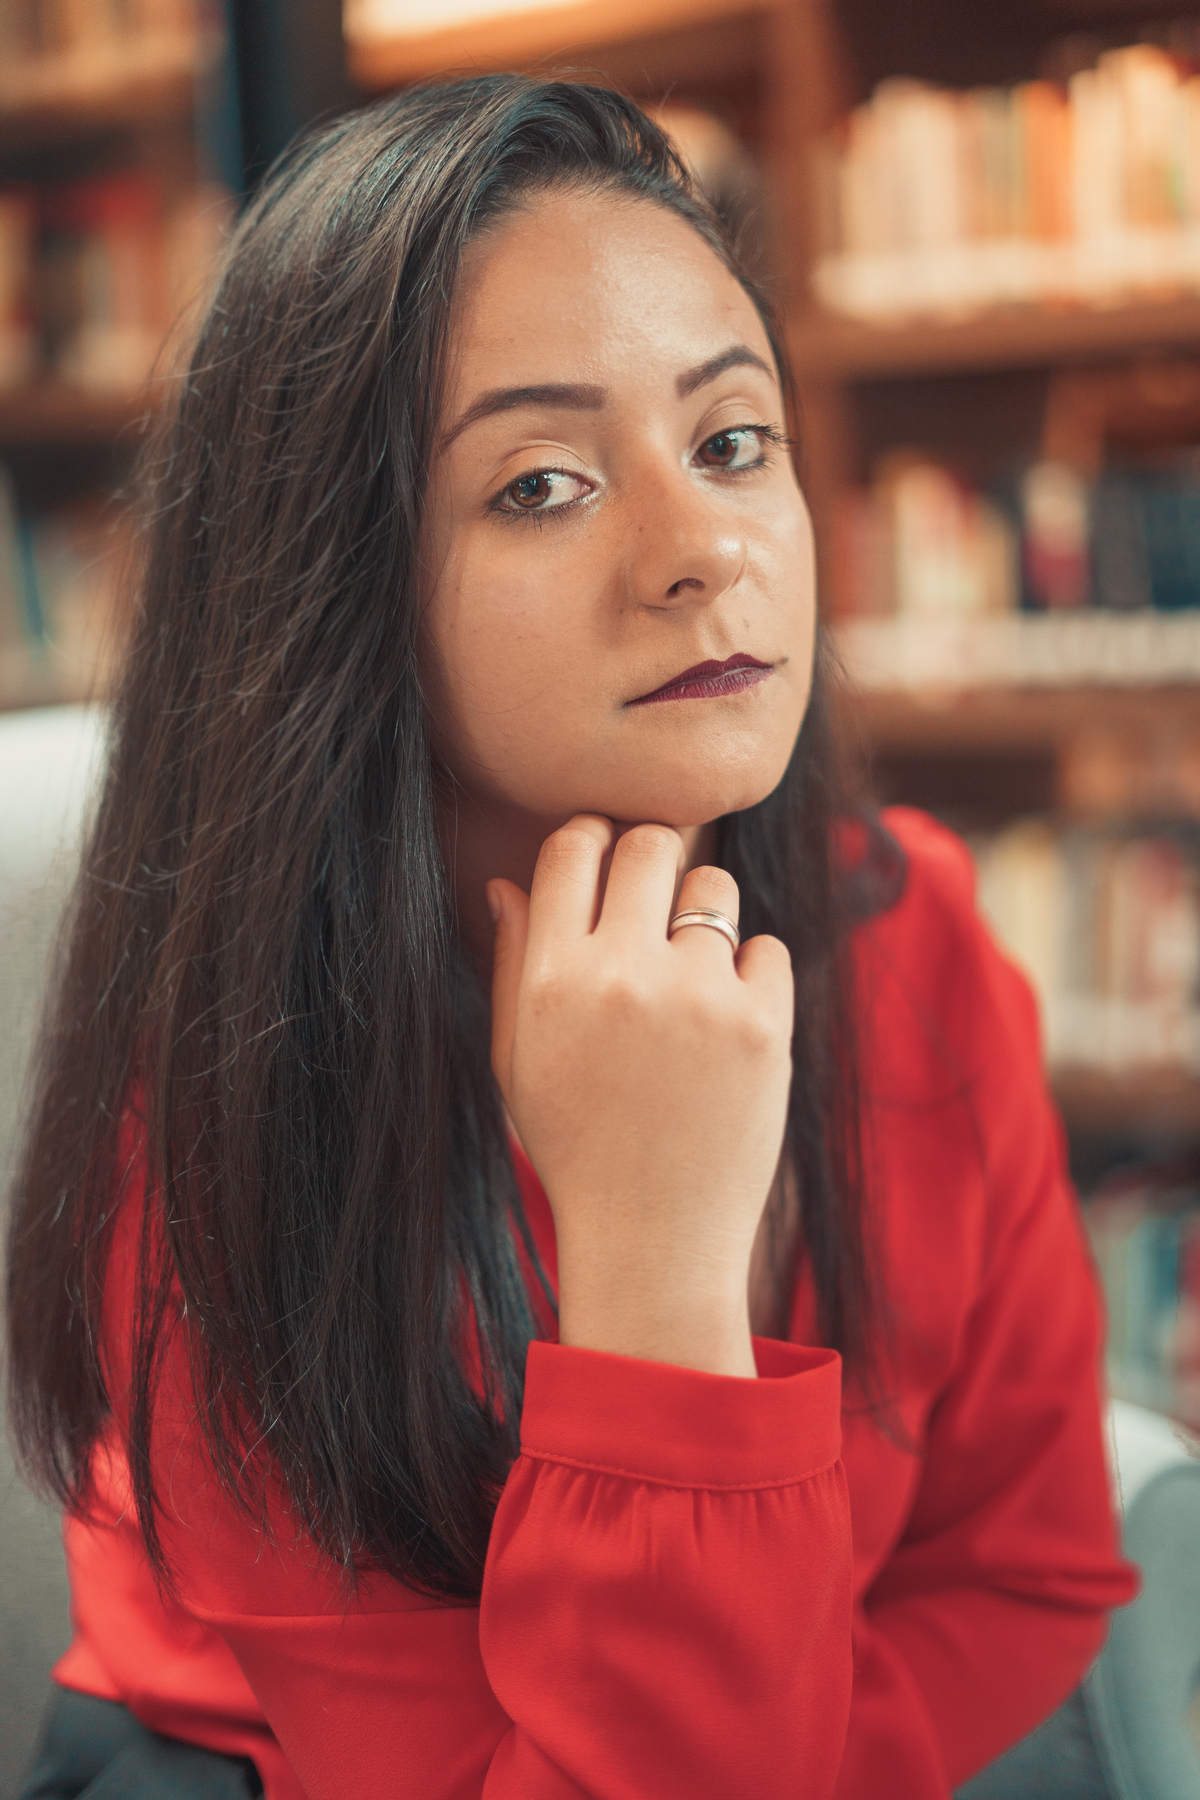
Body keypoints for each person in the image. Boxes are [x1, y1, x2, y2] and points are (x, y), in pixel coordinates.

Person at [6, 76, 1136, 1800]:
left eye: (732, 440)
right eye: (539, 485)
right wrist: (660, 1273)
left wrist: (807, 1746)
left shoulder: (914, 937)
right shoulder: (229, 1119)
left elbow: (1029, 1570)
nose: (703, 552)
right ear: (338, 594)